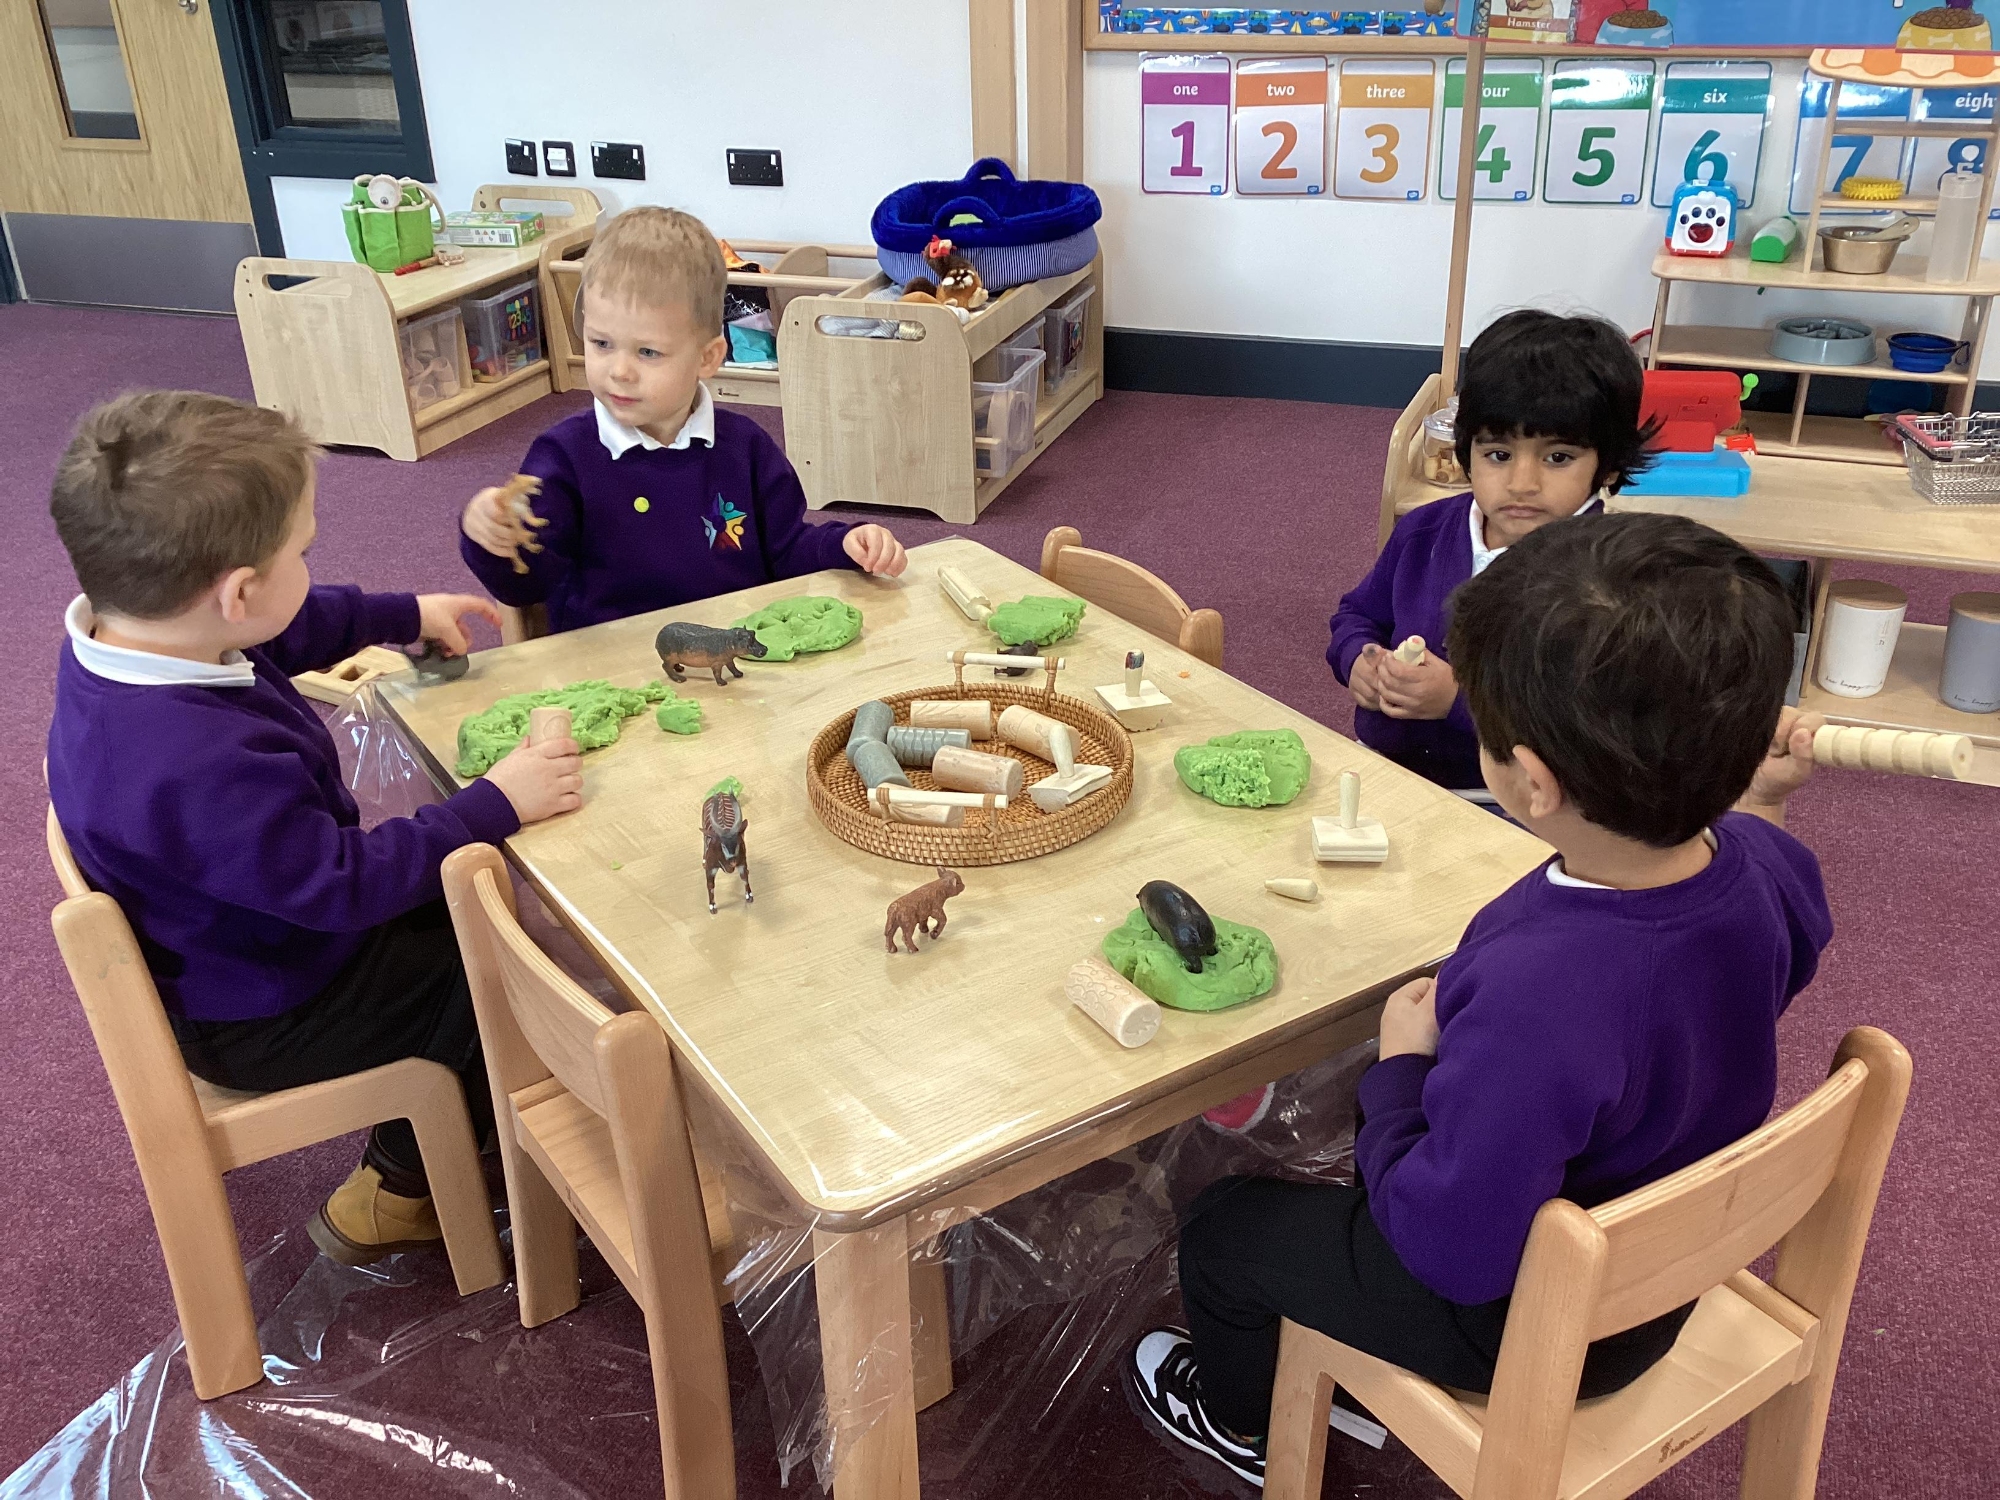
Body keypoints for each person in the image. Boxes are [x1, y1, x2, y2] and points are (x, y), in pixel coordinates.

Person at [1133, 512, 1833, 1487]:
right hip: (1670, 1262)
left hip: (1534, 1323)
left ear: (1530, 783)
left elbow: (1449, 1250)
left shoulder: (1538, 999)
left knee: (1224, 1229)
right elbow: (1789, 940)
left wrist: (1400, 1073)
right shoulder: (1760, 863)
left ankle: (1235, 1425)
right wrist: (1761, 799)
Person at [46, 391, 583, 1266]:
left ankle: (458, 1122)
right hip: (266, 1003)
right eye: (302, 551)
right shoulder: (192, 760)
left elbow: (278, 631)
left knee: (466, 903)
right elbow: (344, 886)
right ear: (237, 592)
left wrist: (400, 614)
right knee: (484, 963)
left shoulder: (144, 636)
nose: (309, 562)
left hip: (237, 945)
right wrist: (496, 801)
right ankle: (395, 1191)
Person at [459, 206, 907, 632]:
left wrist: (843, 544)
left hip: (735, 655)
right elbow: (526, 588)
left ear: (708, 358)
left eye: (647, 352)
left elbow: (787, 551)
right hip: (614, 665)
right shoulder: (563, 456)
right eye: (601, 343)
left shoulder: (746, 448)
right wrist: (492, 538)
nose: (619, 370)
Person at [1328, 309, 1656, 794]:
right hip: (1388, 770)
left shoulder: (1611, 580)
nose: (1522, 483)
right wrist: (1358, 659)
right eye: (1498, 455)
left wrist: (1460, 702)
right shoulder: (1424, 531)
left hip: (1522, 801)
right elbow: (1359, 614)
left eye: (1558, 457)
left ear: (1607, 465)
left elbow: (1596, 723)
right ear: (1466, 452)